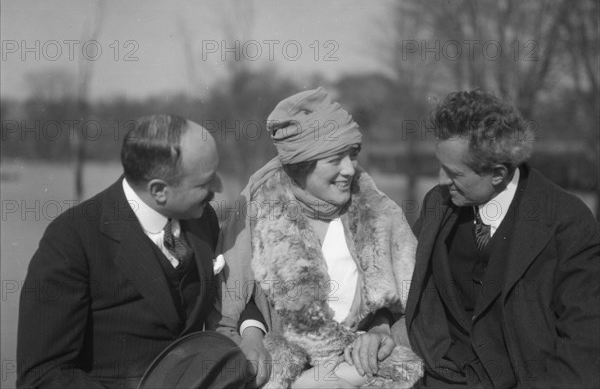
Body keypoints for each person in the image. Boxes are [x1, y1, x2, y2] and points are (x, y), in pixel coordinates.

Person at [17, 114, 268, 388]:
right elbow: (42, 376)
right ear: (159, 190)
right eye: (205, 182)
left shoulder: (202, 218)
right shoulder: (72, 239)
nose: (218, 189)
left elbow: (234, 290)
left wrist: (251, 333)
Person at [210, 88, 423, 388]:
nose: (349, 170)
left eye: (352, 155)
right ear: (301, 165)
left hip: (361, 368)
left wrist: (381, 332)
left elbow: (406, 307)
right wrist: (253, 336)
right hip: (282, 370)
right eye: (335, 159)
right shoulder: (259, 214)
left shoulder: (378, 213)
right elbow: (236, 306)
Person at [403, 89, 600, 388]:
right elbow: (402, 279)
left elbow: (585, 339)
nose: (441, 181)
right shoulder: (438, 204)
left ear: (497, 173)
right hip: (440, 373)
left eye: (453, 173)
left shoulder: (567, 222)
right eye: (440, 167)